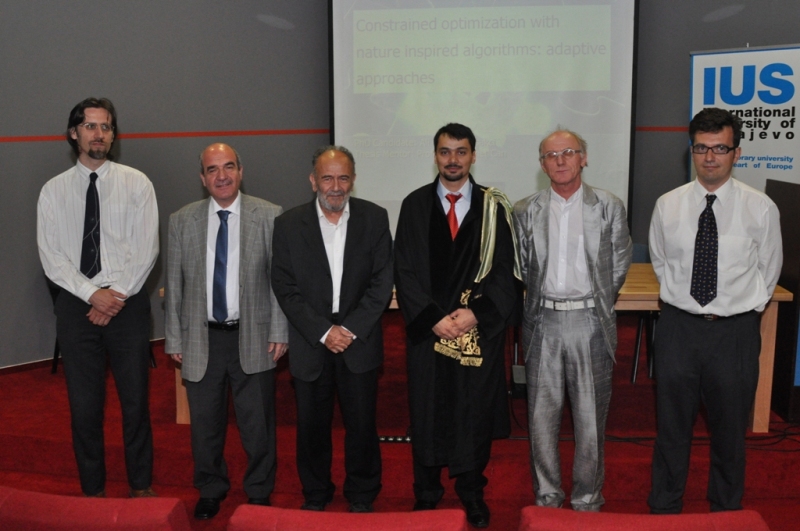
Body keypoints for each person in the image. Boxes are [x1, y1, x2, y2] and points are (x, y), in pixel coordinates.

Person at [648, 107, 782, 513]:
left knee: (730, 432)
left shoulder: (761, 208)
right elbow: (661, 263)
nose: (710, 157)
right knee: (671, 428)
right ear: (691, 150)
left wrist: (739, 310)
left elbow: (769, 271)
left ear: (736, 153)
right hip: (678, 329)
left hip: (734, 334)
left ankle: (725, 509)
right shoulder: (667, 205)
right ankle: (665, 507)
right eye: (701, 148)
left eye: (720, 148)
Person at [394, 123, 520, 529]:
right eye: (445, 151)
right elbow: (403, 269)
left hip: (475, 330)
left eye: (461, 151)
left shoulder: (493, 207)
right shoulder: (414, 205)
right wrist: (433, 319)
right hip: (429, 331)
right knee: (427, 409)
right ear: (435, 155)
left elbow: (507, 269)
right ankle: (427, 492)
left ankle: (471, 492)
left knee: (473, 410)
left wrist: (475, 314)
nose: (453, 160)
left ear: (473, 156)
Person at [37, 97, 159, 498]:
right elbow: (52, 257)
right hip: (77, 305)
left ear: (113, 134)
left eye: (105, 127)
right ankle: (93, 490)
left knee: (136, 403)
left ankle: (141, 486)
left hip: (127, 302)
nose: (99, 134)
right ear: (74, 133)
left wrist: (113, 297)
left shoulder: (137, 183)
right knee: (84, 406)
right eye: (90, 126)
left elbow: (147, 249)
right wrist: (92, 294)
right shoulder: (53, 191)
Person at [164, 143, 288, 519]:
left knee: (257, 423)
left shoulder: (270, 215)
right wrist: (174, 337)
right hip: (201, 338)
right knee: (205, 425)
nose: (222, 176)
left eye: (229, 166)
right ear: (202, 178)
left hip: (255, 335)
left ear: (241, 171)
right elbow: (174, 284)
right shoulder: (181, 220)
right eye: (212, 169)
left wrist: (279, 330)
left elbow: (279, 281)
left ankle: (259, 490)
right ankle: (211, 488)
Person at [513, 129, 632, 511]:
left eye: (569, 152)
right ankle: (547, 496)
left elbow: (619, 264)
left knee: (590, 419)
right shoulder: (524, 210)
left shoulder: (608, 205)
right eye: (551, 155)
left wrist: (595, 304)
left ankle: (587, 498)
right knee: (540, 419)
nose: (560, 160)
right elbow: (521, 267)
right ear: (542, 164)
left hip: (590, 320)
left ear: (584, 158)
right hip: (542, 321)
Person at [271, 146, 393, 513]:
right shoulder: (288, 224)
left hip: (359, 340)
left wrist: (349, 329)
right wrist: (325, 331)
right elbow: (284, 285)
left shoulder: (375, 218)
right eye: (327, 178)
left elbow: (382, 282)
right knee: (311, 426)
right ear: (313, 181)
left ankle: (362, 493)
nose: (335, 186)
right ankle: (315, 492)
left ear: (353, 180)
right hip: (312, 340)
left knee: (362, 425)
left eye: (343, 178)